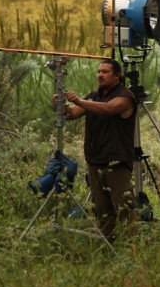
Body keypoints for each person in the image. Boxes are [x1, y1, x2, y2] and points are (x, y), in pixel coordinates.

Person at [54, 58, 137, 239]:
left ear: (116, 76)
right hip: (94, 162)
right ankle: (109, 244)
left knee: (124, 206)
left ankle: (134, 246)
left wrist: (79, 100)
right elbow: (74, 113)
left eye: (105, 72)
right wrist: (62, 106)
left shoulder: (125, 96)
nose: (100, 75)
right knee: (101, 209)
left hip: (116, 163)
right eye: (99, 71)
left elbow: (108, 109)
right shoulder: (94, 96)